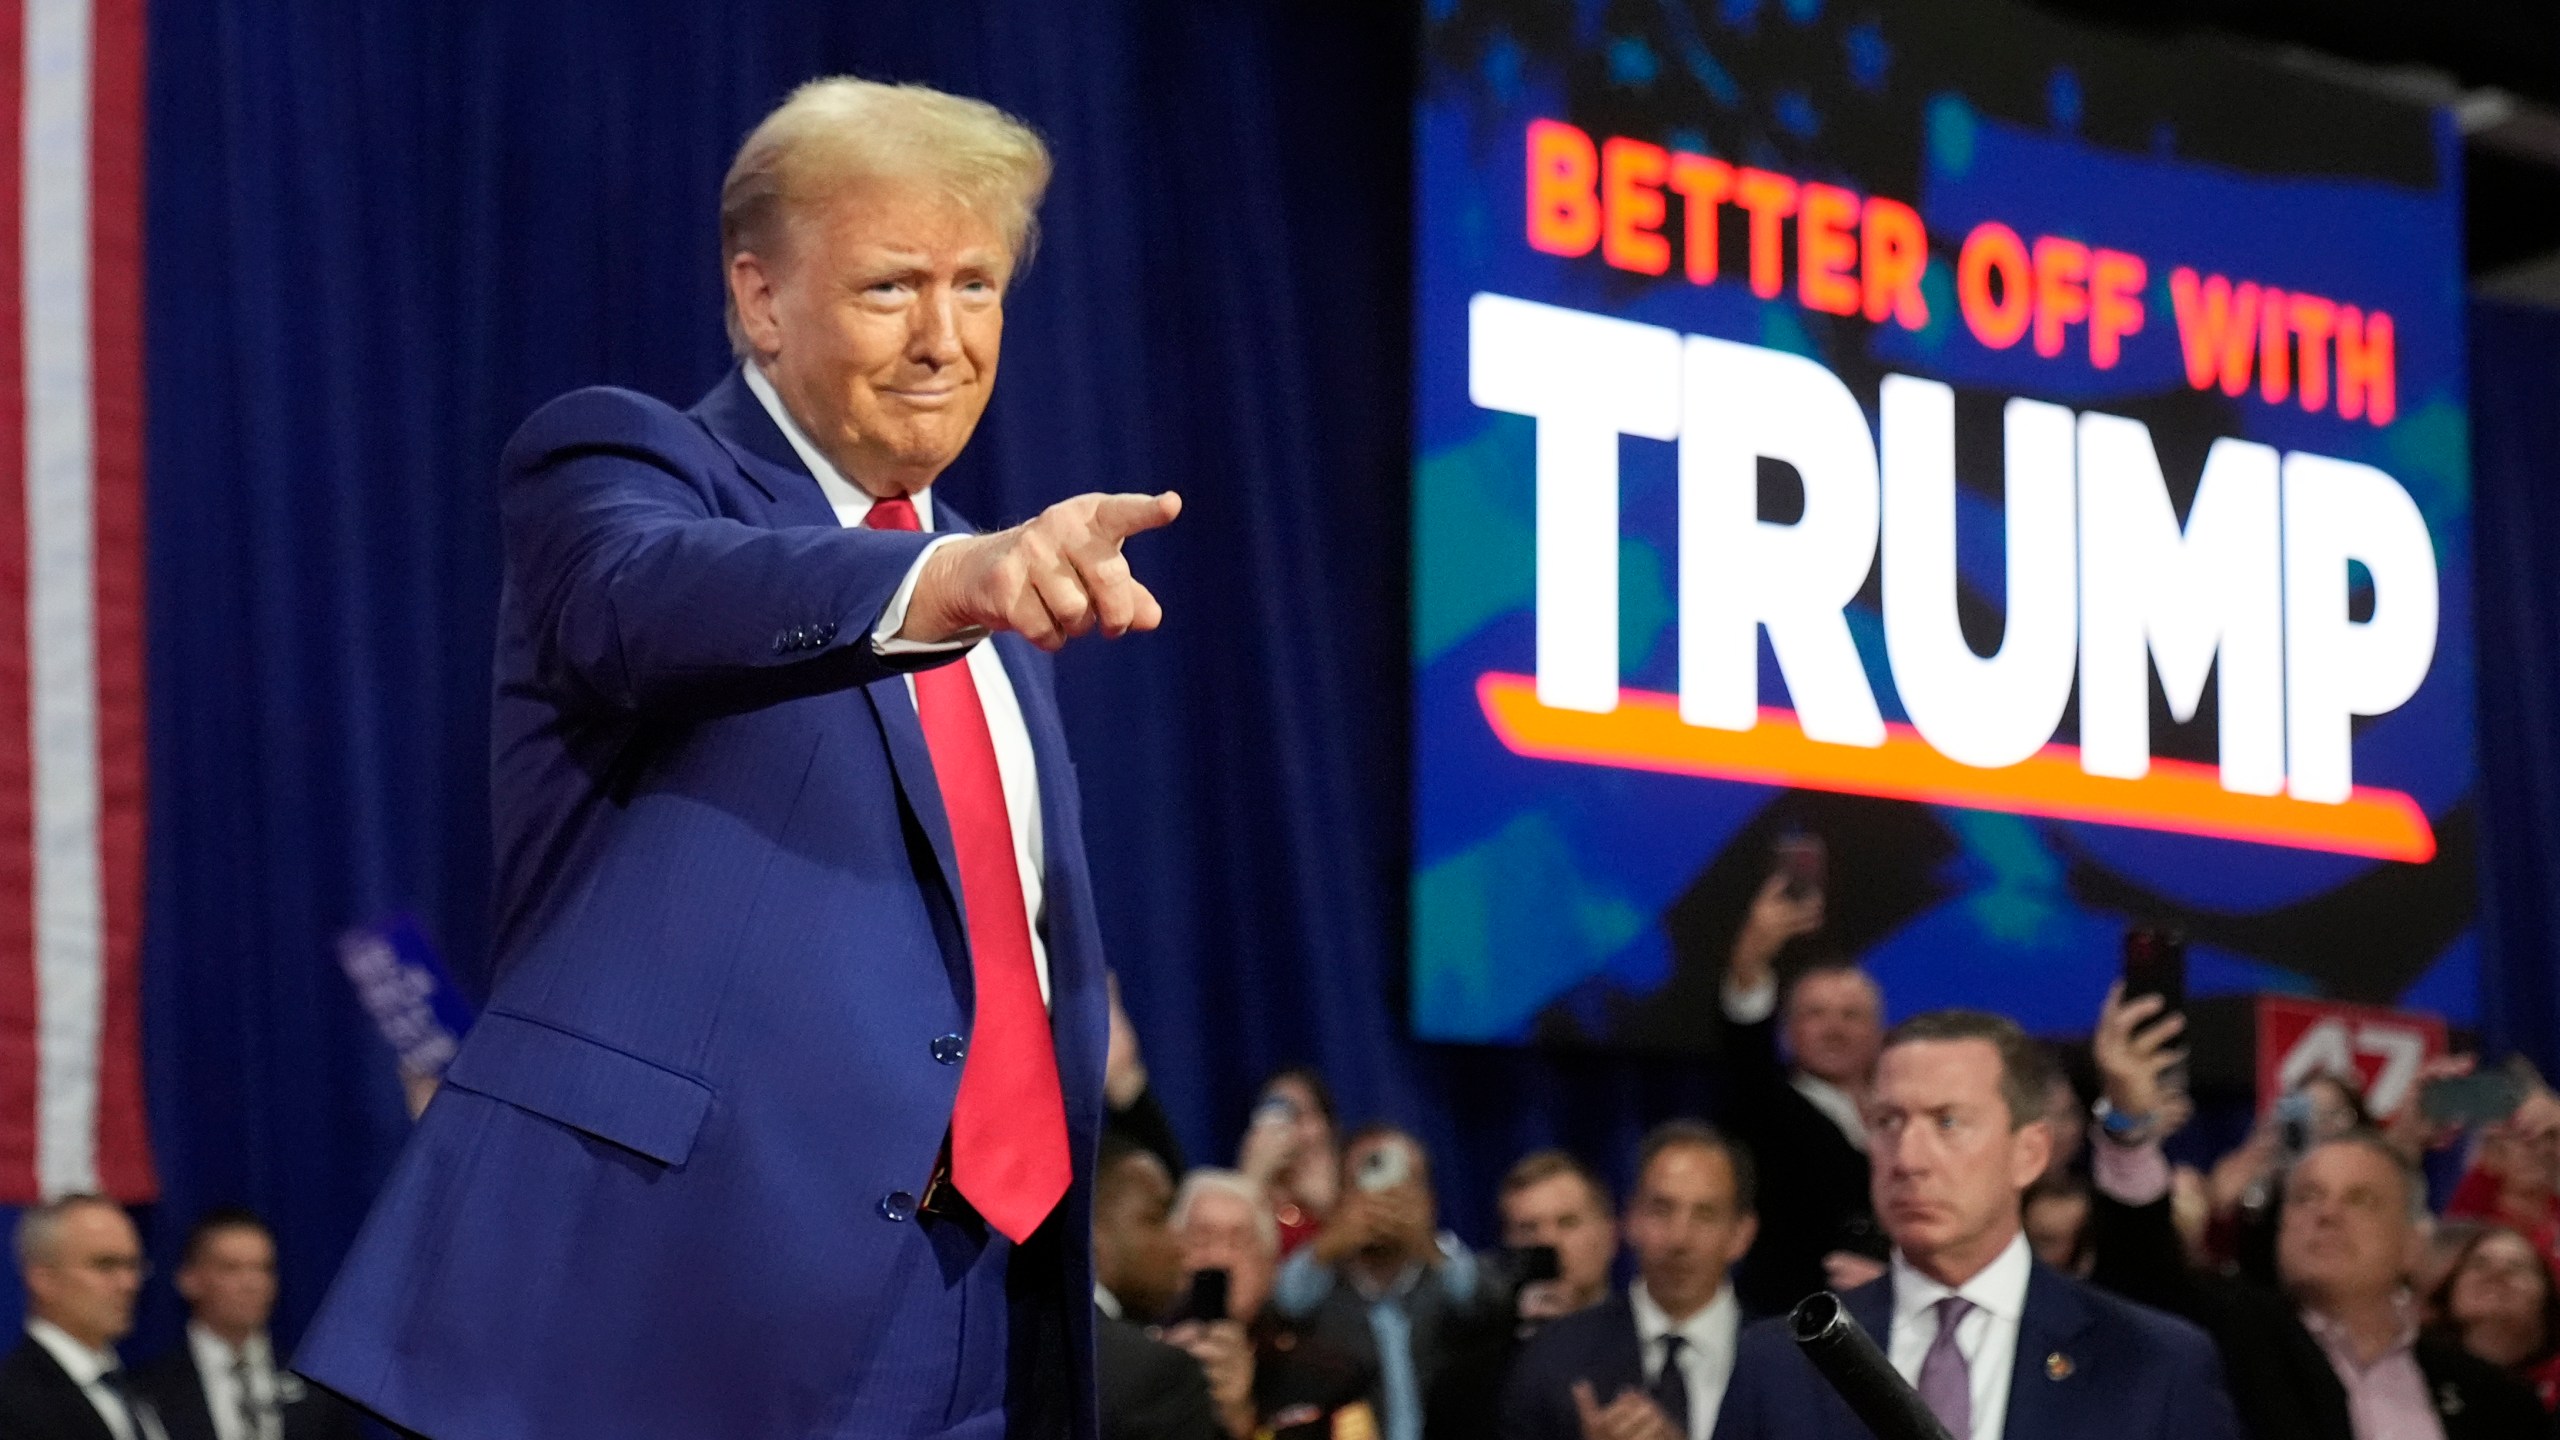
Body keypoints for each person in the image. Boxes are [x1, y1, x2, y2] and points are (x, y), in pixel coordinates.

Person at [295, 77, 1181, 1440]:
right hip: (651, 1325)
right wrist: (943, 580)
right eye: (894, 287)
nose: (945, 339)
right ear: (763, 300)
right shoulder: (628, 466)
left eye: (978, 285)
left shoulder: (1000, 619)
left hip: (969, 1333)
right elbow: (645, 594)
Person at [1713, 1010, 2241, 1440]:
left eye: (1947, 1122)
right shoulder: (1780, 1363)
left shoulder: (2151, 1364)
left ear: (2029, 1153)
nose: (1909, 1158)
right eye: (1888, 1122)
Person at [2087, 984, 2546, 1440]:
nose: (2325, 1213)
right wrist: (2128, 1126)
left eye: (2359, 1200)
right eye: (2305, 1196)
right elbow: (2139, 1279)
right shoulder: (2230, 1342)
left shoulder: (2498, 1402)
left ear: (2413, 1246)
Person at [1501, 1121, 1758, 1440]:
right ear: (1631, 1219)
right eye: (1661, 1210)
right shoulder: (1553, 1357)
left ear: (1741, 1234)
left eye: (1705, 1214)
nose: (1679, 1239)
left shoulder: (1788, 1364)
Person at [1714, 872, 1886, 1312]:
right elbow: (1744, 1053)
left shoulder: (1906, 1116)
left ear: (1879, 1031)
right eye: (1816, 1014)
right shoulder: (1768, 1107)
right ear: (1788, 1032)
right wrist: (1751, 958)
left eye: (1851, 1015)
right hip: (1792, 1331)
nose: (1834, 1028)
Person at [1273, 1125, 1498, 1440]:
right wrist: (1330, 1243)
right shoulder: (1321, 1282)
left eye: (1400, 1185)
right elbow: (1283, 1303)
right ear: (1341, 1200)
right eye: (1364, 1183)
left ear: (1429, 1201)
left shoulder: (1446, 1270)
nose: (1382, 1202)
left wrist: (1425, 1242)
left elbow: (1484, 1303)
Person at [1171, 1169, 1377, 1439]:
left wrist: (1243, 1422)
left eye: (1238, 1242)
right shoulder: (1134, 1363)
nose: (1218, 1259)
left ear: (1270, 1268)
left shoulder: (1330, 1379)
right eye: (1201, 1238)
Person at [134, 1209, 360, 1440]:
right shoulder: (146, 1392)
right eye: (231, 1268)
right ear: (189, 1279)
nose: (252, 1283)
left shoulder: (318, 1391)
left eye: (264, 1268)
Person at [1094, 1139, 1223, 1440]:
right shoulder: (1160, 1375)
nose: (1179, 1244)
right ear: (1091, 1234)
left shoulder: (998, 1345)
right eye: (1156, 1218)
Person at [1, 1195, 156, 1440]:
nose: (129, 1283)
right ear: (43, 1279)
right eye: (105, 1265)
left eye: (133, 1265)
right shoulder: (12, 1400)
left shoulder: (139, 1386)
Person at [2426, 1224, 2560, 1410]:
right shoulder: (2413, 1374)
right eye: (2479, 1264)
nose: (2496, 1273)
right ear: (2450, 1289)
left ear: (2546, 1299)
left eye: (2517, 1267)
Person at [1498, 1151, 1621, 1322]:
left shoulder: (1647, 1338)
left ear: (1610, 1236)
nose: (1547, 1241)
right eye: (1528, 1229)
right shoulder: (1487, 1346)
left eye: (1567, 1223)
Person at [1241, 1068, 1343, 1256]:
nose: (1287, 1131)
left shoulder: (1355, 1193)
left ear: (1327, 1125)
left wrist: (1329, 1208)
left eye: (1300, 1115)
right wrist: (1252, 1180)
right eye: (1275, 1115)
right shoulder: (1238, 1198)